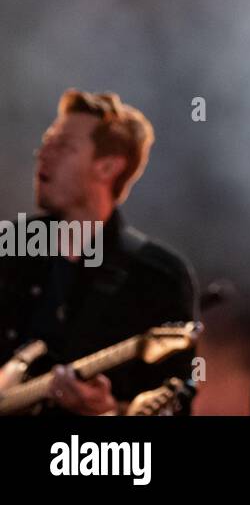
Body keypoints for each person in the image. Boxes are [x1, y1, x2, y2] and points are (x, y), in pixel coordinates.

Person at [0, 89, 198, 415]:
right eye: (47, 141)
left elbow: (174, 403)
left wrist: (108, 411)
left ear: (107, 167)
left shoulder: (160, 276)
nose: (43, 153)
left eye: (62, 146)